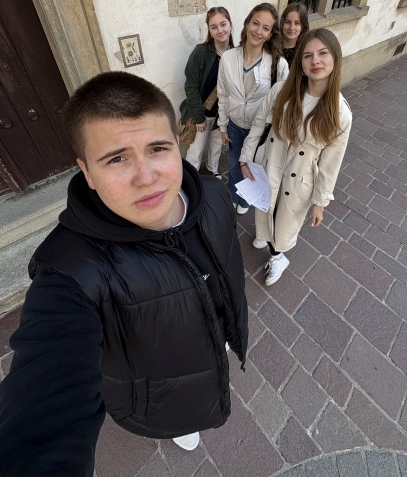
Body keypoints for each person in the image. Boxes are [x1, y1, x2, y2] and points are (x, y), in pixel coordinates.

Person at [0, 72, 248, 476]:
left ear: (178, 144)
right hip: (160, 397)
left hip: (214, 340)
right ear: (86, 172)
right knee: (182, 414)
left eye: (157, 148)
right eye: (117, 158)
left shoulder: (215, 195)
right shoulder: (70, 272)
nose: (146, 177)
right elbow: (42, 399)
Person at [239, 28, 352, 285]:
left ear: (335, 58)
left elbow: (330, 164)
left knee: (284, 223)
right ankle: (267, 238)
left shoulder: (340, 113)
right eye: (308, 55)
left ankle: (278, 257)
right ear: (300, 62)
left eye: (323, 53)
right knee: (265, 211)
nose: (316, 61)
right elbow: (258, 123)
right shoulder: (282, 91)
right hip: (269, 164)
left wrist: (320, 202)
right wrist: (245, 158)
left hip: (299, 179)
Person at [217, 3, 289, 215]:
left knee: (254, 168)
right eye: (255, 23)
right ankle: (234, 195)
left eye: (265, 28)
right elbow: (223, 93)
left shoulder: (278, 65)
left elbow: (283, 102)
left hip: (261, 131)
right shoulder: (228, 58)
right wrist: (223, 125)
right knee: (233, 165)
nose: (258, 31)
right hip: (234, 125)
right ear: (247, 23)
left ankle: (247, 200)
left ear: (270, 34)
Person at [179, 6, 234, 178]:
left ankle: (212, 169)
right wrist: (198, 117)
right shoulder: (200, 53)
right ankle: (191, 179)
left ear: (230, 25)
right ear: (209, 30)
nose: (220, 30)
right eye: (214, 27)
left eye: (223, 24)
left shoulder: (236, 54)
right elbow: (191, 86)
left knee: (217, 146)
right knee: (196, 150)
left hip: (221, 114)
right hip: (203, 114)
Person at [280, 2, 309, 68]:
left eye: (297, 23)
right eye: (288, 22)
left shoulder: (305, 52)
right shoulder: (271, 46)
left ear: (303, 26)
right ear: (282, 23)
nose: (291, 28)